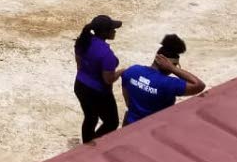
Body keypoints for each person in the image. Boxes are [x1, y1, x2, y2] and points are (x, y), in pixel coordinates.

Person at [121, 34, 206, 125]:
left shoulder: (132, 70)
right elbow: (199, 85)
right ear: (170, 65)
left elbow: (127, 101)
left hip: (129, 126)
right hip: (152, 129)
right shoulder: (168, 83)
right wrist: (174, 69)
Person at [73, 14, 124, 143]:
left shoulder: (83, 41)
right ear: (105, 32)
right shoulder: (106, 54)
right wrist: (122, 71)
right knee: (111, 122)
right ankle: (92, 143)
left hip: (80, 85)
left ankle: (87, 145)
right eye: (112, 29)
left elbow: (79, 63)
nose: (114, 31)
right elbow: (108, 79)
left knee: (90, 117)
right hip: (98, 93)